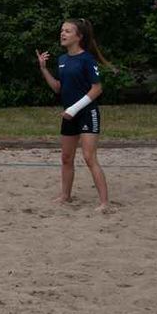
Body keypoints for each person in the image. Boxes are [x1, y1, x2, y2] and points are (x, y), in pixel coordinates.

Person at [36, 18, 111, 211]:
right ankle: (65, 196)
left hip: (86, 113)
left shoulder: (87, 59)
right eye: (62, 30)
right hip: (69, 115)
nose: (63, 33)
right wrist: (43, 69)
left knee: (89, 157)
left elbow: (97, 89)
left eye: (68, 31)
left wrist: (73, 109)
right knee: (66, 157)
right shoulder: (62, 60)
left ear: (79, 36)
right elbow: (58, 88)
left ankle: (104, 203)